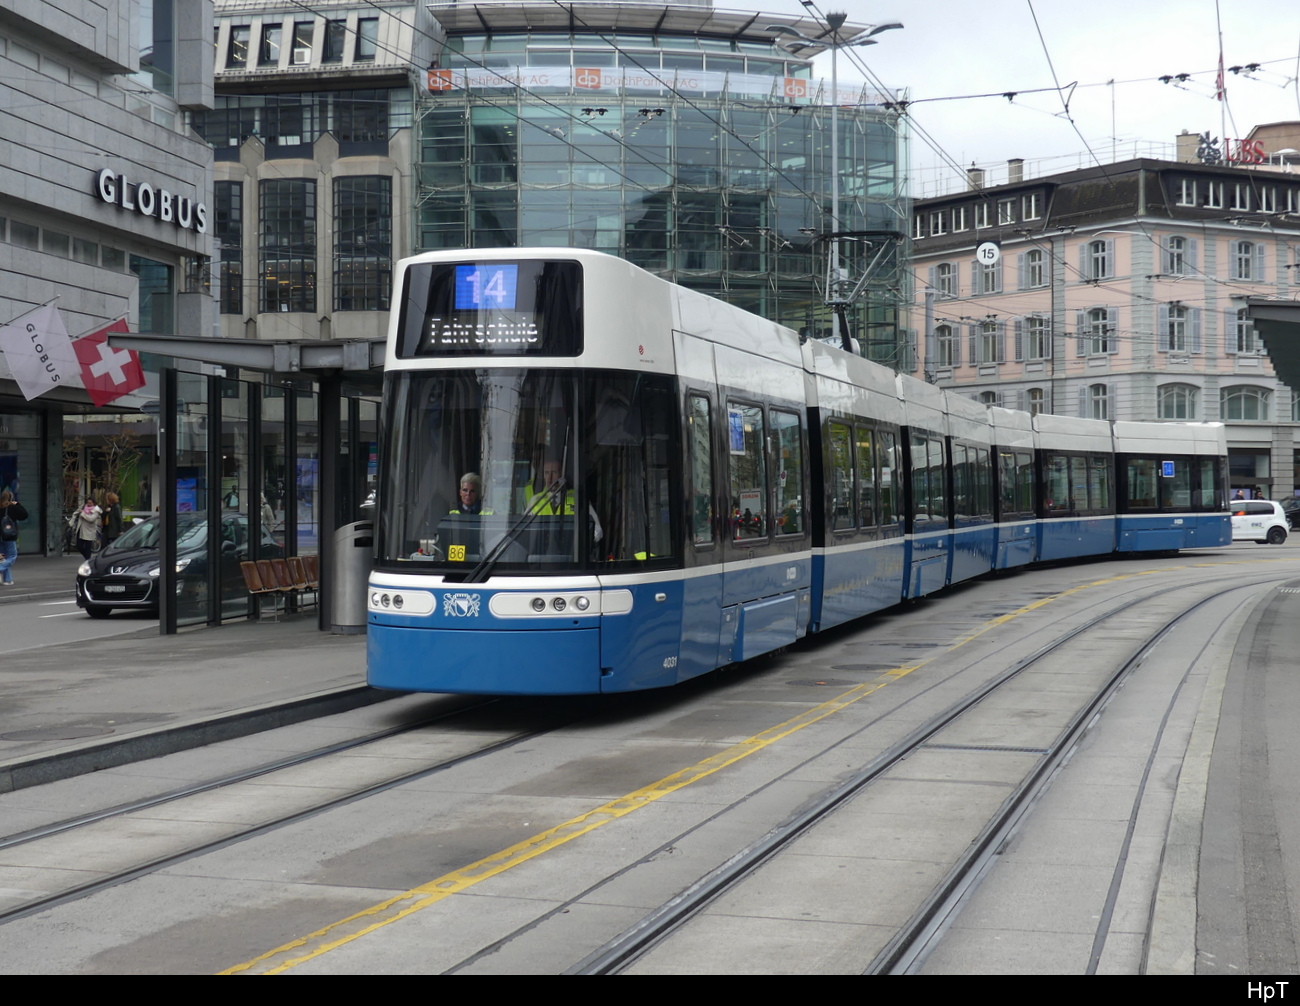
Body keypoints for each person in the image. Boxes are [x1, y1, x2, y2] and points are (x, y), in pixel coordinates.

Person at [525, 459, 602, 541]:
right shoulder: (535, 501)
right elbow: (525, 530)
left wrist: (581, 539)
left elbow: (597, 531)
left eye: (554, 472)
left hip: (571, 547)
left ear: (562, 475)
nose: (550, 478)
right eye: (546, 473)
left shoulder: (578, 498)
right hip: (542, 547)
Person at [0, 490, 28, 586]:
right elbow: (24, 515)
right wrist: (17, 504)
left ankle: (7, 580)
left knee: (3, 558)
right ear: (10, 498)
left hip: (0, 537)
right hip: (9, 536)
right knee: (12, 556)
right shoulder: (11, 507)